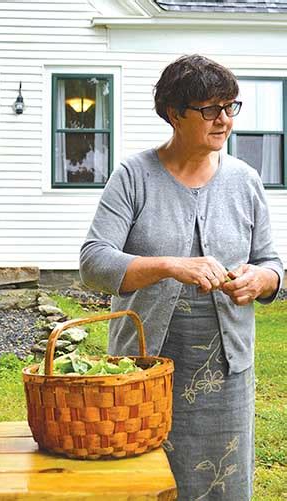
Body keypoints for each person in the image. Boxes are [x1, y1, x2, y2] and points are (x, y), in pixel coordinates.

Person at [79, 54, 284, 501]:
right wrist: (171, 266)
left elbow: (273, 263)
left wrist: (262, 280)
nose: (225, 120)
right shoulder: (134, 176)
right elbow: (94, 262)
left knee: (224, 480)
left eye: (231, 107)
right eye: (211, 109)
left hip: (225, 372)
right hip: (146, 365)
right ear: (175, 114)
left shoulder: (246, 181)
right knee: (147, 481)